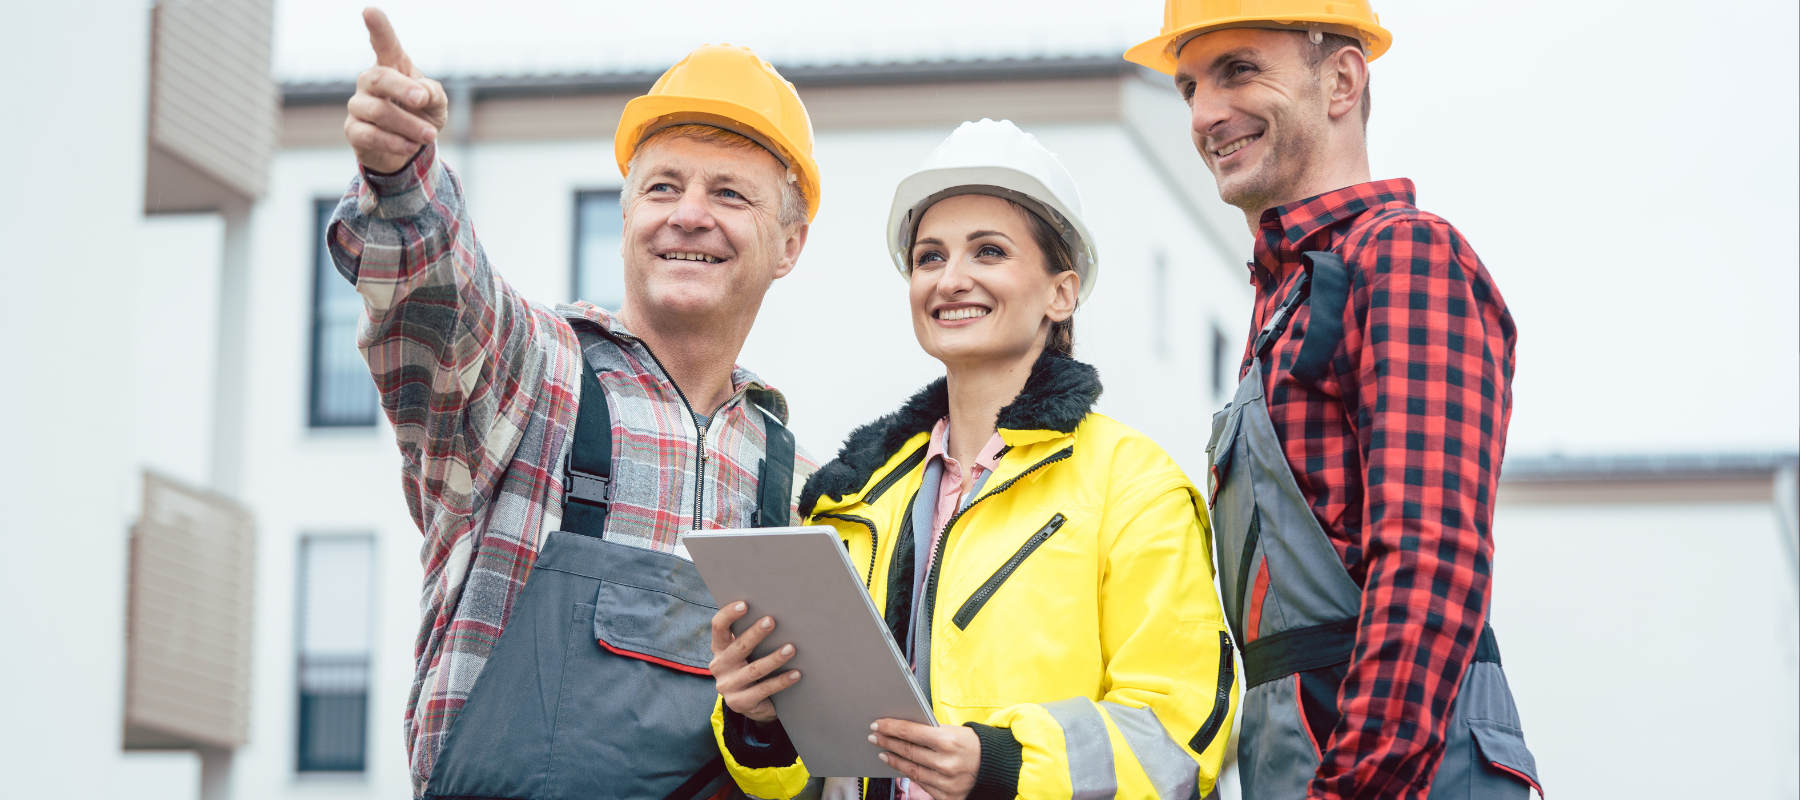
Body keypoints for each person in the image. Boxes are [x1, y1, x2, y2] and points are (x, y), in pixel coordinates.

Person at [330, 9, 822, 799]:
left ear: (790, 244)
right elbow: (439, 300)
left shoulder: (799, 485)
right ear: (627, 215)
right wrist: (403, 179)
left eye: (730, 192)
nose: (689, 212)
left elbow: (820, 752)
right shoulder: (534, 373)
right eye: (664, 186)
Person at [705, 119, 1240, 800]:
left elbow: (1177, 731)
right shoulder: (854, 502)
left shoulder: (1134, 486)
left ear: (1061, 293)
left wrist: (1002, 763)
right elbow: (817, 776)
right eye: (930, 257)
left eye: (988, 252)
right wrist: (760, 722)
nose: (951, 279)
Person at [1123, 3, 1543, 799]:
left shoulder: (1404, 255)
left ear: (1342, 80)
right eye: (1187, 89)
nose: (1205, 113)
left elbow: (1429, 563)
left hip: (1402, 777)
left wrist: (1354, 788)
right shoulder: (1283, 298)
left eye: (1238, 70)